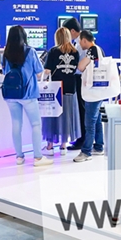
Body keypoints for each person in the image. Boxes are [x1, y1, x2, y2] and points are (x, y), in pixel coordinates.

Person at [2, 26, 52, 167]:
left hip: (10, 94)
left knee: (16, 124)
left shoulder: (6, 53)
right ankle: (38, 157)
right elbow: (39, 72)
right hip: (28, 93)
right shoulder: (30, 51)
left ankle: (19, 157)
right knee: (35, 124)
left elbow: (5, 72)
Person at [41, 27, 81, 156]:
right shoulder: (75, 52)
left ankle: (50, 146)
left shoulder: (53, 51)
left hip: (56, 89)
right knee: (67, 117)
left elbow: (47, 71)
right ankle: (63, 145)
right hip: (70, 88)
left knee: (52, 116)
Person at [74, 30, 106, 163]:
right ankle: (98, 146)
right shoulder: (99, 49)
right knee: (96, 119)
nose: (79, 44)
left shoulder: (92, 50)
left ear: (84, 40)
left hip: (93, 92)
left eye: (80, 41)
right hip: (98, 91)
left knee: (89, 123)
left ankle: (86, 151)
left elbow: (81, 67)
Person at [63, 17, 87, 150]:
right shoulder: (80, 41)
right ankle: (83, 139)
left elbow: (80, 66)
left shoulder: (81, 44)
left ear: (72, 31)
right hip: (81, 79)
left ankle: (83, 140)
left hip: (81, 79)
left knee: (82, 110)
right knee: (82, 109)